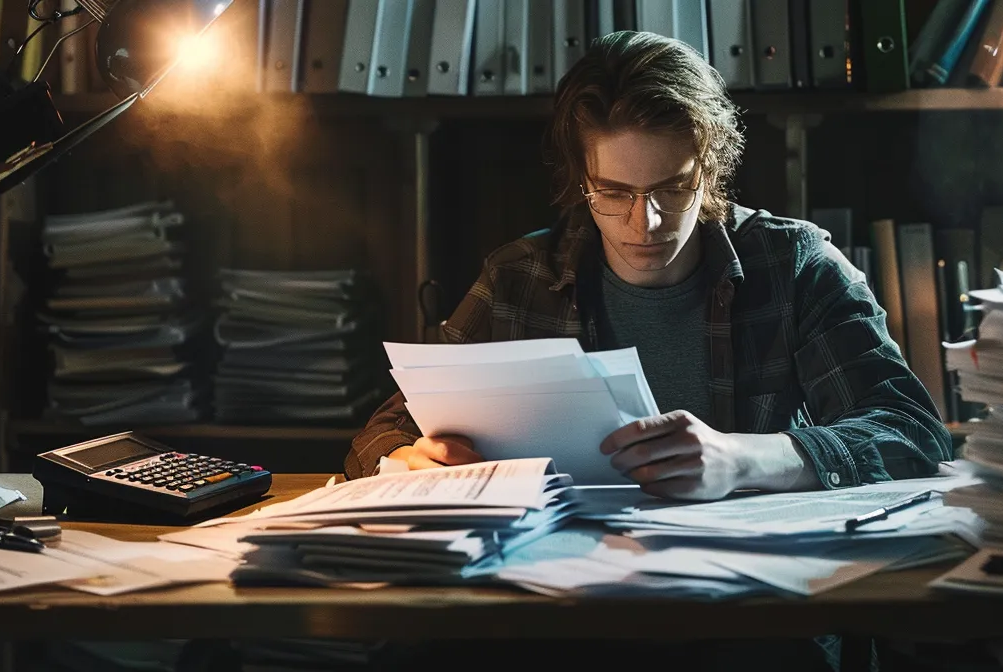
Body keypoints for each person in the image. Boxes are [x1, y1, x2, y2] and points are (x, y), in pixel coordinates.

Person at [348, 31, 951, 500]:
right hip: (568, 610)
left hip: (760, 615)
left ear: (709, 171)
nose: (648, 223)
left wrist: (743, 459)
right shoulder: (519, 279)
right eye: (613, 193)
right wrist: (402, 459)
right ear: (581, 181)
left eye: (674, 188)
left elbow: (912, 433)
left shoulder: (796, 265)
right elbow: (385, 433)